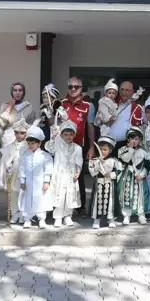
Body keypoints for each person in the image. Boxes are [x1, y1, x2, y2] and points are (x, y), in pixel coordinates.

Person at [61, 76, 97, 216]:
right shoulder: (61, 103)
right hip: (61, 147)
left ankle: (80, 207)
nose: (73, 89)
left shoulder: (89, 106)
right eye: (71, 87)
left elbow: (90, 127)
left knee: (78, 176)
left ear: (82, 89)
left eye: (77, 87)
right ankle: (61, 206)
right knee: (61, 175)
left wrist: (92, 147)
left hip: (79, 146)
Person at [45, 119, 82, 228]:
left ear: (74, 135)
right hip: (59, 175)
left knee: (70, 195)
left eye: (71, 134)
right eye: (65, 134)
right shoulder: (57, 144)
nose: (68, 137)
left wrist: (78, 173)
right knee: (59, 195)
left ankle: (67, 216)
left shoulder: (77, 148)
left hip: (71, 175)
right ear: (61, 135)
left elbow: (79, 161)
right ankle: (58, 217)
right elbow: (49, 148)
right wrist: (53, 137)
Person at [19, 120, 53, 229]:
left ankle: (41, 219)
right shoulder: (25, 155)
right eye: (29, 143)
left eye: (33, 143)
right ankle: (27, 219)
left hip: (40, 182)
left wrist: (46, 181)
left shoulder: (45, 156)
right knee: (27, 199)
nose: (30, 145)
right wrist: (22, 181)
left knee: (41, 199)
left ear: (39, 143)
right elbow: (22, 168)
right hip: (28, 182)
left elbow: (48, 169)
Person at [0, 118, 29, 224]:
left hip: (24, 176)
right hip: (12, 175)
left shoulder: (28, 146)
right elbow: (3, 162)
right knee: (13, 194)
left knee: (24, 194)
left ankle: (23, 214)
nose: (19, 135)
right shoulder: (9, 147)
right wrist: (6, 167)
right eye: (17, 133)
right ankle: (14, 213)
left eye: (22, 133)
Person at [116, 126, 150, 225]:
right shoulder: (122, 150)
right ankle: (126, 215)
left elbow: (148, 165)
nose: (134, 141)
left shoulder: (144, 151)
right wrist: (130, 149)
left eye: (136, 139)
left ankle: (141, 214)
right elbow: (125, 159)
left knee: (140, 195)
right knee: (126, 194)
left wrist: (142, 175)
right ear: (128, 139)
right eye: (131, 138)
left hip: (139, 177)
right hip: (127, 177)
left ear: (140, 140)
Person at [88, 135, 123, 229]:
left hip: (110, 184)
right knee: (98, 201)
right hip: (99, 183)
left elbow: (119, 171)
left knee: (110, 201)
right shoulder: (95, 161)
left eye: (105, 149)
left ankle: (111, 219)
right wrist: (98, 164)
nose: (102, 152)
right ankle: (97, 219)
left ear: (110, 150)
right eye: (101, 149)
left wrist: (111, 174)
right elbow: (92, 172)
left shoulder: (114, 161)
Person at [0, 82, 36, 148]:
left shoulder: (29, 107)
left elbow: (31, 126)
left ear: (23, 92)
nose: (17, 93)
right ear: (11, 92)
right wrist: (9, 107)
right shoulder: (5, 106)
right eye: (15, 90)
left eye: (20, 90)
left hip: (24, 142)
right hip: (8, 141)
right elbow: (1, 124)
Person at [108, 81, 143, 152]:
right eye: (122, 89)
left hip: (126, 145)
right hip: (109, 145)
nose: (124, 93)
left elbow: (145, 123)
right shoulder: (111, 103)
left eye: (127, 90)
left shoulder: (137, 107)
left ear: (132, 92)